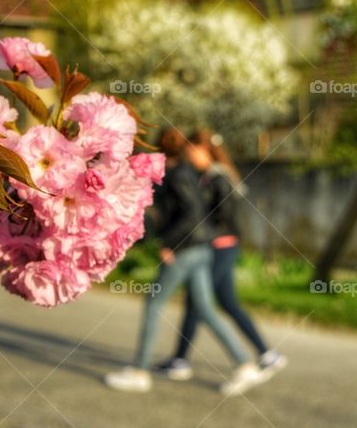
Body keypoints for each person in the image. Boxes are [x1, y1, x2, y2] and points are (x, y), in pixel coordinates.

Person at [105, 128, 263, 395]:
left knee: (154, 302)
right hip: (200, 248)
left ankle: (140, 371)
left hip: (185, 249)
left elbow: (191, 214)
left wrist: (170, 244)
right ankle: (245, 365)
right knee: (206, 309)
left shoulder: (176, 174)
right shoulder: (188, 173)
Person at [156, 130, 288, 382]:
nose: (189, 155)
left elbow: (223, 215)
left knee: (197, 301)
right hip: (216, 246)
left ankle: (181, 360)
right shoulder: (205, 177)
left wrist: (200, 233)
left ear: (207, 151)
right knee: (226, 302)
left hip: (222, 246)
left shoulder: (219, 178)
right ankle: (267, 354)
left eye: (194, 150)